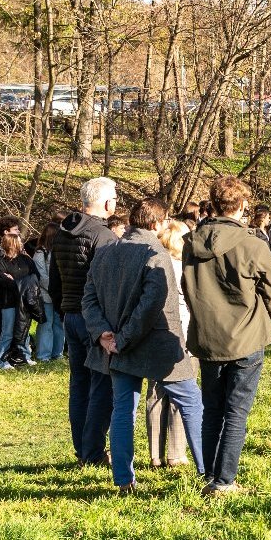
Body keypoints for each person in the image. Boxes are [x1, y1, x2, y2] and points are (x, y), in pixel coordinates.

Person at [82, 199, 205, 495]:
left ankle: (124, 480)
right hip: (157, 346)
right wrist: (114, 338)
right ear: (157, 224)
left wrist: (104, 335)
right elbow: (152, 305)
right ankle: (209, 470)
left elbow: (88, 300)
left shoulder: (105, 252)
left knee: (123, 411)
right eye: (164, 223)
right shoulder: (155, 252)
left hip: (118, 346)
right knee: (192, 404)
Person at [182, 175, 271, 497]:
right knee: (235, 411)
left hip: (208, 335)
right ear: (240, 206)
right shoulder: (252, 243)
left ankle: (211, 472)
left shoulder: (190, 243)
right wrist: (260, 316)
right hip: (246, 337)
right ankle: (223, 481)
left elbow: (187, 287)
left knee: (213, 408)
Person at [52, 177, 120, 467]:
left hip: (70, 314)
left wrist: (62, 309)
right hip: (94, 320)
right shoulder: (103, 237)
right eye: (115, 198)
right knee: (100, 386)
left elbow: (55, 279)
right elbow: (107, 285)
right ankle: (92, 452)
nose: (116, 203)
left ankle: (82, 448)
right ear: (106, 203)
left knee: (79, 384)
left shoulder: (62, 232)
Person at [149, 218, 199, 469]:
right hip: (182, 336)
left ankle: (155, 454)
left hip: (154, 336)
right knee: (183, 394)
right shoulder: (184, 269)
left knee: (156, 395)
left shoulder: (152, 264)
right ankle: (176, 453)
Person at [0, 217, 38, 369]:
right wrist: (19, 281)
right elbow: (2, 281)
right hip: (7, 302)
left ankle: (25, 356)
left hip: (24, 301)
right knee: (7, 332)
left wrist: (14, 280)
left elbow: (35, 276)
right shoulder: (1, 262)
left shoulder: (26, 260)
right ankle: (1, 360)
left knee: (23, 331)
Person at [31, 222, 65, 362]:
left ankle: (57, 353)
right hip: (46, 296)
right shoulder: (40, 254)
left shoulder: (59, 252)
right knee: (46, 325)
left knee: (59, 325)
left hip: (59, 296)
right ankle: (43, 355)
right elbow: (42, 277)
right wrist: (54, 290)